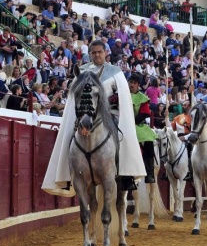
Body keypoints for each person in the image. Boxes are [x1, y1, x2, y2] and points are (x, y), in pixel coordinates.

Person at [42, 40, 146, 196]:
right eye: (94, 52)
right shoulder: (82, 71)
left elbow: (123, 96)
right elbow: (74, 96)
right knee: (69, 135)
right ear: (89, 54)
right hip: (85, 113)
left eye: (100, 52)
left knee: (121, 134)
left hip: (109, 113)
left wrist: (111, 99)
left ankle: (125, 174)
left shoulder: (115, 72)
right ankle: (67, 172)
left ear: (105, 53)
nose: (97, 55)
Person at [128, 73, 158, 184]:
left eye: (134, 83)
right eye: (130, 82)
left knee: (149, 141)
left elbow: (144, 113)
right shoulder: (121, 94)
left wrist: (132, 122)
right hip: (121, 124)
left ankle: (149, 173)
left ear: (138, 85)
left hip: (137, 124)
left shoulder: (142, 98)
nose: (131, 85)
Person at [169, 99, 193, 181]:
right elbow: (170, 128)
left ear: (190, 106)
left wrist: (185, 138)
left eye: (185, 105)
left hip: (189, 137)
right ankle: (167, 169)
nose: (183, 107)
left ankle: (190, 170)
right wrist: (166, 117)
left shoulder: (193, 118)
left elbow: (194, 131)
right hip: (178, 137)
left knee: (191, 148)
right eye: (183, 105)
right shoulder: (177, 117)